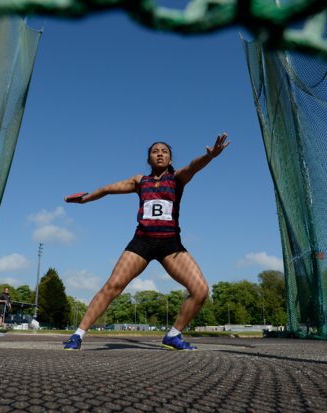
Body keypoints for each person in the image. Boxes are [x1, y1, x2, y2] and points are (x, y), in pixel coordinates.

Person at [64, 133, 230, 350]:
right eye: (155, 151)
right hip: (142, 243)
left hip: (170, 245)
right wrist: (85, 199)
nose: (160, 154)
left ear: (170, 160)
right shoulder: (140, 181)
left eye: (164, 152)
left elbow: (193, 166)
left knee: (200, 290)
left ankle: (173, 335)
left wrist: (211, 157)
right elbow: (106, 189)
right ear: (149, 158)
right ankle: (78, 335)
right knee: (112, 286)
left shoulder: (177, 178)